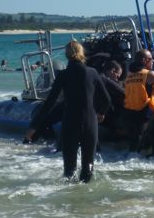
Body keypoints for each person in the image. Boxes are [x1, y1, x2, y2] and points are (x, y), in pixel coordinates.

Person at [30, 41, 111, 183]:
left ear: (67, 55)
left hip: (70, 122)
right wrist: (101, 113)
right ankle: (87, 200)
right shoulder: (92, 73)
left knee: (69, 169)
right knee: (88, 165)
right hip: (90, 123)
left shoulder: (63, 75)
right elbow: (107, 99)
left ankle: (70, 201)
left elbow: (49, 102)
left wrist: (34, 126)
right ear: (82, 53)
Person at [122, 49, 154, 151]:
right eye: (151, 59)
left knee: (134, 141)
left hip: (129, 112)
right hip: (144, 111)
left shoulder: (129, 76)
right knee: (143, 137)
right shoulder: (149, 74)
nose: (153, 61)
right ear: (144, 60)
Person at [98, 60, 126, 140]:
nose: (117, 80)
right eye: (117, 76)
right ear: (113, 71)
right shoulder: (104, 79)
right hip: (101, 121)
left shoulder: (96, 76)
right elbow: (124, 94)